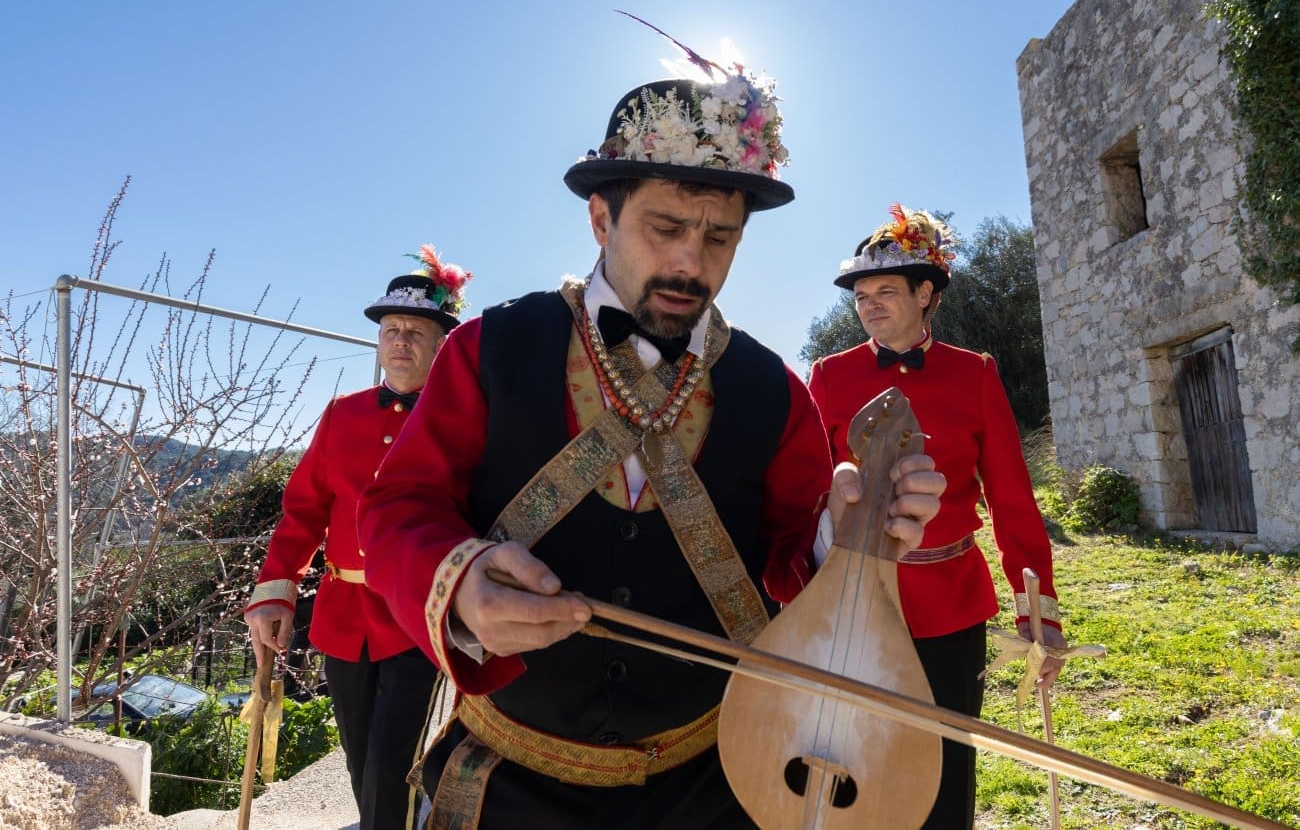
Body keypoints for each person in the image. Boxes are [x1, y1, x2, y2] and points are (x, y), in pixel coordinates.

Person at [357, 49, 946, 829]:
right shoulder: (490, 348)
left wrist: (849, 530)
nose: (690, 262)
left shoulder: (774, 390)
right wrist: (459, 583)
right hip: (509, 784)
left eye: (720, 238)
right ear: (601, 219)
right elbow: (399, 507)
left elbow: (791, 558)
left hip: (714, 782)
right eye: (665, 226)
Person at [807, 204, 1068, 830]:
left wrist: (1039, 613)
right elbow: (806, 491)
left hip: (952, 607)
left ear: (926, 294)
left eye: (884, 292)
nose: (868, 305)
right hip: (856, 605)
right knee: (857, 764)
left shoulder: (975, 374)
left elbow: (1011, 499)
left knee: (949, 770)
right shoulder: (829, 376)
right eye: (861, 296)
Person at [243, 247, 471, 830]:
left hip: (418, 615)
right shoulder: (341, 415)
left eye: (415, 332)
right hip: (344, 616)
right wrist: (276, 590)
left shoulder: (464, 421)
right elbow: (304, 510)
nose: (400, 342)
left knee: (392, 767)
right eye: (391, 330)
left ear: (442, 343)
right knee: (360, 760)